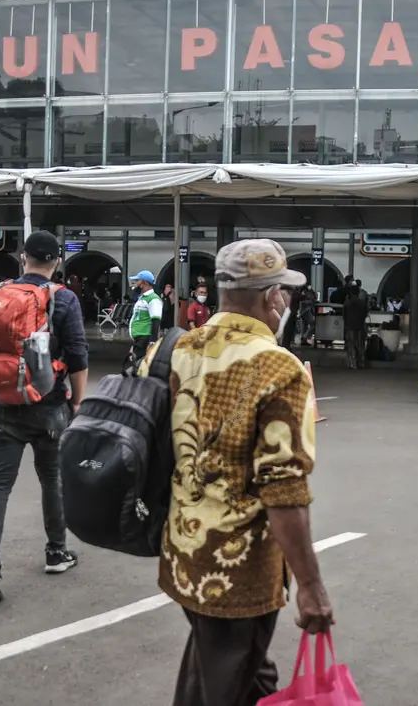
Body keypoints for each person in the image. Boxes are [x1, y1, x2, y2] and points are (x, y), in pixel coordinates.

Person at [137, 239, 333, 706]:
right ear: (271, 299)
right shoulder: (277, 367)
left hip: (182, 556)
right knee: (223, 682)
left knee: (235, 668)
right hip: (236, 571)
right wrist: (311, 586)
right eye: (284, 292)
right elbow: (283, 489)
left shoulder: (174, 348)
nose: (285, 301)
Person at [0, 232, 88, 603]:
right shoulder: (63, 298)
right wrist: (78, 403)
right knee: (51, 478)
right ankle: (56, 552)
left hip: (1, 403)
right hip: (48, 404)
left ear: (23, 259)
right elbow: (78, 354)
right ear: (56, 262)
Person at [128, 270, 163, 361]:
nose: (135, 283)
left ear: (144, 282)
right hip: (139, 339)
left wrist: (152, 342)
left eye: (137, 280)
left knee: (139, 367)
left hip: (145, 339)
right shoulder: (142, 298)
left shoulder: (153, 299)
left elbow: (156, 321)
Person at [343, 279, 368, 370]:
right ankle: (361, 362)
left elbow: (344, 315)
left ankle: (352, 363)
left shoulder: (347, 303)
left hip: (349, 326)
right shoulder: (362, 304)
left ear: (351, 293)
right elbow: (365, 313)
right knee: (360, 344)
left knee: (351, 345)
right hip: (360, 326)